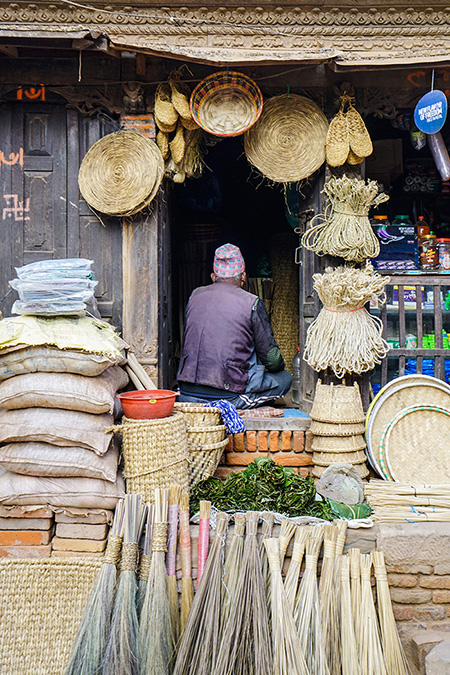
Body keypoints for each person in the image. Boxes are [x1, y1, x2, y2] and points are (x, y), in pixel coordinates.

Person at [177, 243, 292, 409]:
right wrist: (275, 369)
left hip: (187, 393)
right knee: (284, 379)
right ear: (244, 277)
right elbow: (272, 360)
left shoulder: (194, 296)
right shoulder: (252, 302)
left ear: (213, 277)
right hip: (228, 396)